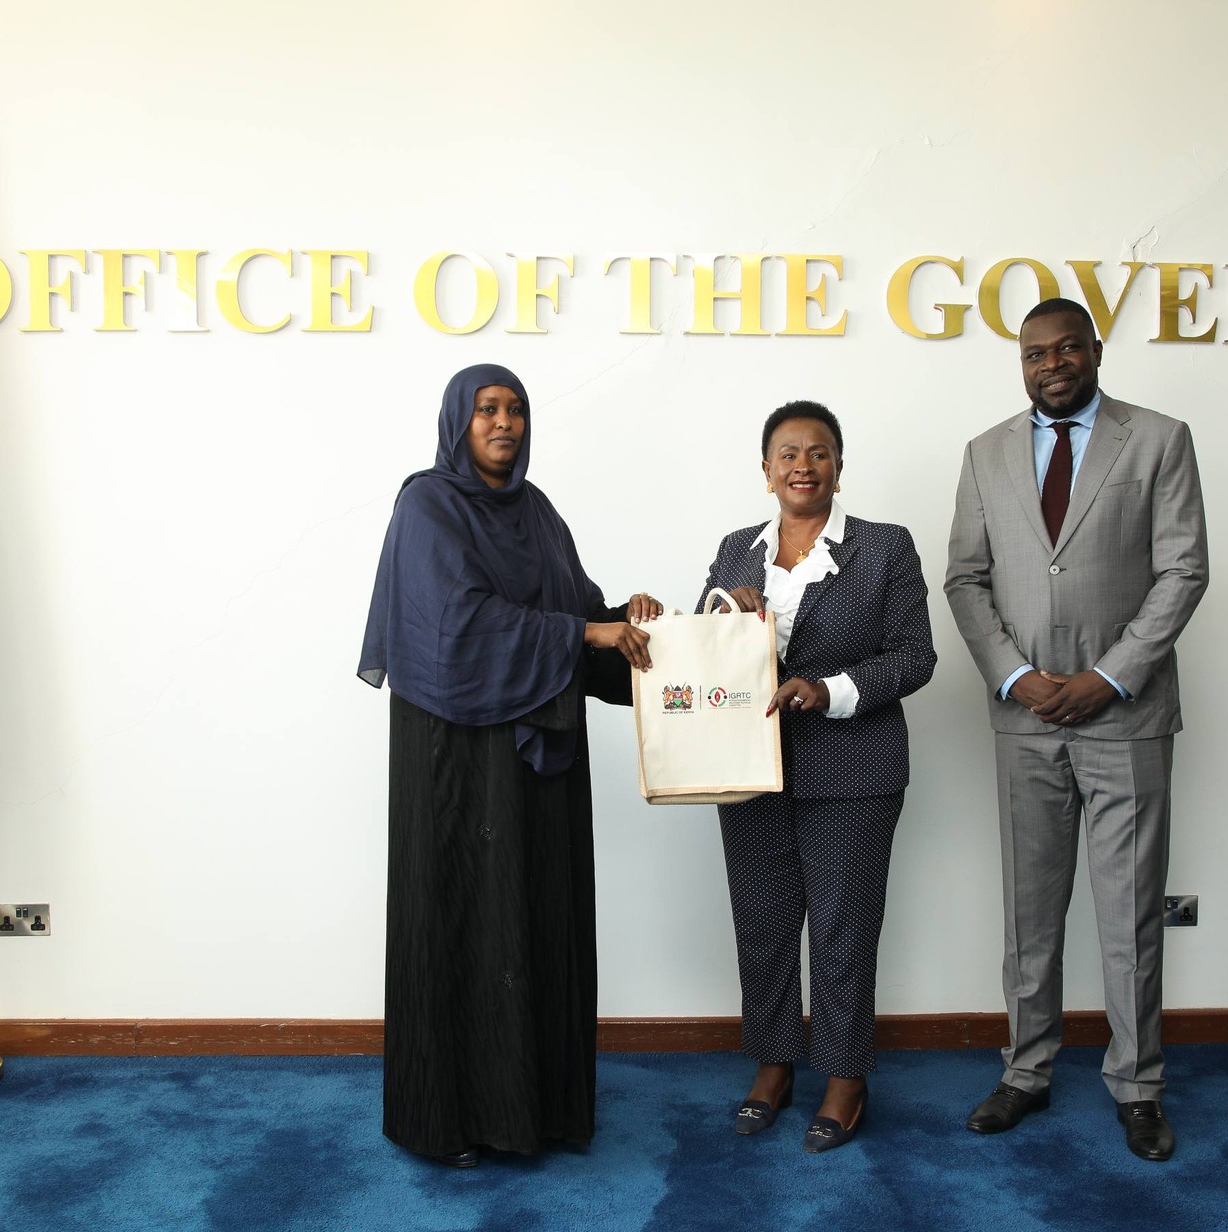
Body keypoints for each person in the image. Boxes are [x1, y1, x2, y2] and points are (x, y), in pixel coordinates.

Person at [357, 364, 662, 1169]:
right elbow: (456, 622)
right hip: (456, 762)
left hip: (538, 767)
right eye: (488, 409)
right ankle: (449, 1121)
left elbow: (575, 607)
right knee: (462, 921)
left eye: (517, 410)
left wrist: (620, 624)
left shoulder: (538, 513)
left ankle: (544, 1112)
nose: (504, 423)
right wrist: (579, 638)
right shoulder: (425, 504)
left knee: (539, 919)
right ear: (458, 420)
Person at [943, 298, 1208, 1162]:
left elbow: (1183, 570)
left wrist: (1108, 676)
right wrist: (1018, 677)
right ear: (1019, 363)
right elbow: (966, 581)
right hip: (1024, 718)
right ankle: (1026, 1071)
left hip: (1124, 716)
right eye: (1033, 354)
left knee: (1130, 909)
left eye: (1066, 349)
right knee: (1031, 908)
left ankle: (1138, 1086)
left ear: (1095, 350)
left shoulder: (1160, 440)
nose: (1050, 364)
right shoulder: (985, 455)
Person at [702, 400, 936, 1153]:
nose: (803, 466)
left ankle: (844, 1077)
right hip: (751, 768)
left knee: (842, 930)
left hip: (854, 766)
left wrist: (825, 689)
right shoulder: (737, 549)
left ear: (839, 464)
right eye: (788, 454)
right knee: (764, 928)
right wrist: (726, 623)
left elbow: (913, 656)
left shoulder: (884, 548)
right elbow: (709, 654)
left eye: (819, 453)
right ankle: (773, 1066)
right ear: (766, 469)